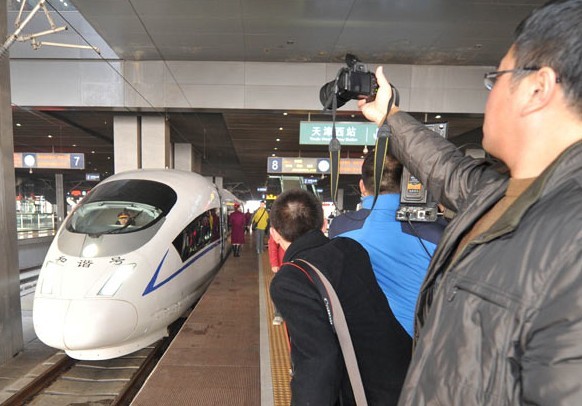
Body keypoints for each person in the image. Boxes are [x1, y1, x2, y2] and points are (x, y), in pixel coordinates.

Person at [357, 1, 582, 403]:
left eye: (495, 77)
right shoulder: (503, 191)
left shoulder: (572, 235)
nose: (489, 93)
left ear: (536, 89)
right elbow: (447, 170)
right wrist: (390, 115)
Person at [269, 189, 411, 405]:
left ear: (274, 234)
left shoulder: (290, 280)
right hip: (405, 376)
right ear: (324, 224)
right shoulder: (351, 249)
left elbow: (317, 362)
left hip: (363, 393)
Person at [328, 150, 445, 337]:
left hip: (360, 345)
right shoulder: (437, 233)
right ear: (408, 185)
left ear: (362, 186)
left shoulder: (340, 227)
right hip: (419, 345)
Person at [267, 233, 285, 325]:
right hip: (282, 263)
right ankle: (278, 313)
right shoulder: (279, 222)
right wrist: (274, 263)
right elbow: (272, 243)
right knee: (279, 288)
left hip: (298, 262)